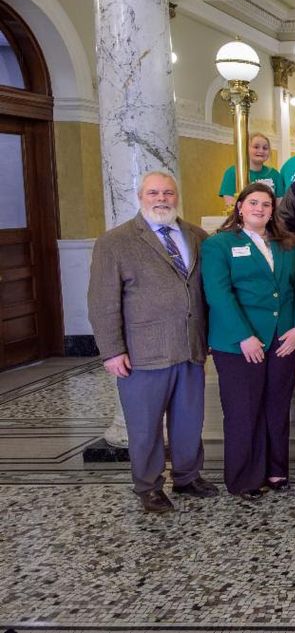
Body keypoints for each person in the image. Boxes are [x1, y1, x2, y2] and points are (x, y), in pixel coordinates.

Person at [88, 172, 218, 513]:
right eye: (154, 193)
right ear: (140, 197)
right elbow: (102, 303)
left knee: (189, 420)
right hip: (142, 353)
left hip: (190, 347)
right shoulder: (115, 242)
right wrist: (112, 351)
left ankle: (188, 476)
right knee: (144, 427)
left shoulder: (196, 236)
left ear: (177, 197)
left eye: (169, 193)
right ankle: (148, 486)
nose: (162, 198)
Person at [202, 183, 295, 499]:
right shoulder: (219, 245)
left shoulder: (287, 244)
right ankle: (244, 478)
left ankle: (276, 468)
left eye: (266, 204)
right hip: (239, 344)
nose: (260, 209)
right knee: (243, 411)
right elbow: (218, 294)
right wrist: (243, 336)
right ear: (239, 207)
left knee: (277, 408)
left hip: (283, 340)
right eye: (253, 203)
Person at [217, 132, 284, 207]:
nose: (261, 151)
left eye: (265, 148)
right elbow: (230, 205)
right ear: (246, 149)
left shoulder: (275, 174)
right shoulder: (233, 172)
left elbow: (279, 205)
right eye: (256, 147)